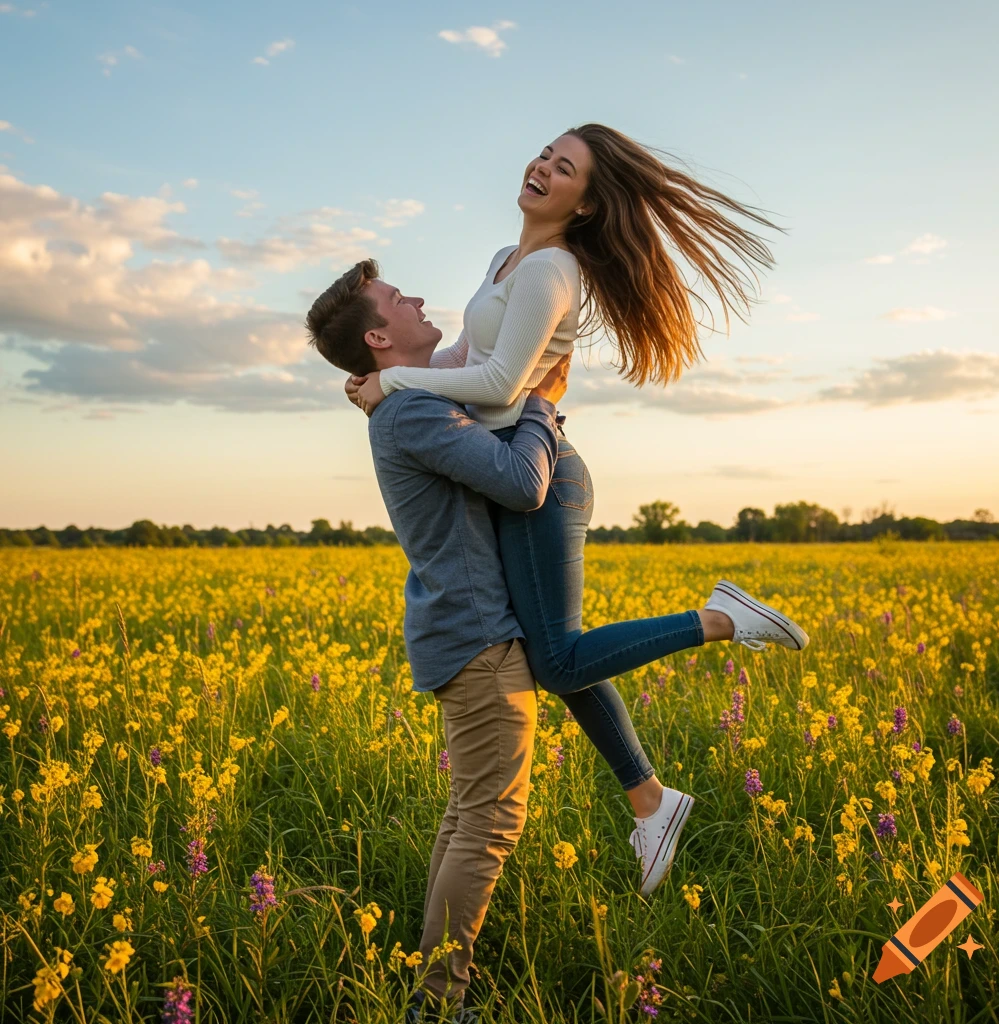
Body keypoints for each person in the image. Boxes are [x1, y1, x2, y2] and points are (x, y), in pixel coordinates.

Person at [304, 258, 808, 1022]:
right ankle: (439, 1005)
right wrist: (543, 406)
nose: (414, 296)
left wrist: (380, 385)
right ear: (378, 336)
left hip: (460, 631)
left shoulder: (405, 400)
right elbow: (523, 483)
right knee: (488, 824)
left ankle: (435, 993)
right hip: (477, 638)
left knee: (466, 817)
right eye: (395, 299)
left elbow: (461, 380)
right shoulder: (411, 413)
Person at [342, 124, 807, 893]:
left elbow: (498, 388)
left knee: (556, 659)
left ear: (585, 205)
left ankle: (723, 620)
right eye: (544, 155)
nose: (542, 168)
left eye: (565, 169)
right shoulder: (506, 260)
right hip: (513, 469)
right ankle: (650, 802)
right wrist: (376, 379)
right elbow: (462, 360)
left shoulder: (552, 269)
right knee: (552, 654)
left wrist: (392, 386)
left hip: (543, 479)